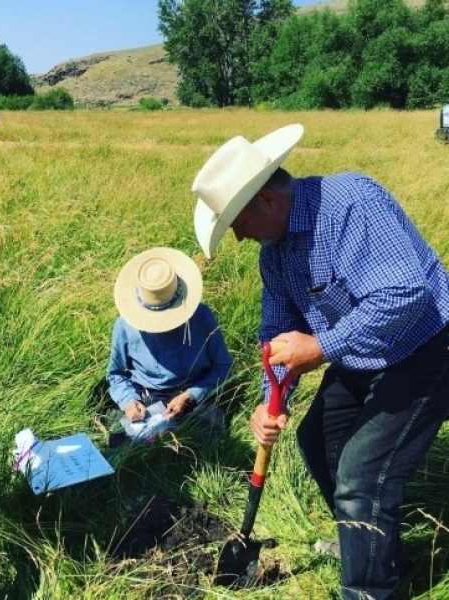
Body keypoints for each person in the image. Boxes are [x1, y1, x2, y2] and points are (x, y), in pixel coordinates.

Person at [191, 124, 449, 599]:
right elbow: (276, 338)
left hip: (427, 344)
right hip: (363, 353)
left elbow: (405, 294)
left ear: (266, 200)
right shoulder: (275, 255)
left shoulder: (350, 204)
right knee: (315, 439)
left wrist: (321, 348)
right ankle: (370, 546)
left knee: (361, 475)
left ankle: (369, 589)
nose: (241, 239)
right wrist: (272, 402)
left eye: (238, 225)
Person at [106, 247, 233, 441]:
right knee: (120, 442)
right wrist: (129, 401)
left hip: (195, 393)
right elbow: (115, 374)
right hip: (147, 398)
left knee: (208, 437)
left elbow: (223, 366)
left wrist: (192, 395)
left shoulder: (202, 316)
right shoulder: (124, 325)